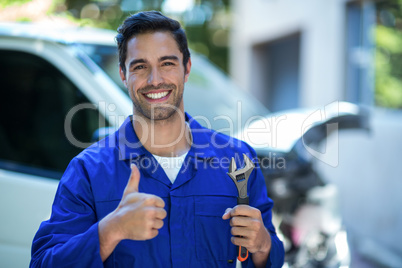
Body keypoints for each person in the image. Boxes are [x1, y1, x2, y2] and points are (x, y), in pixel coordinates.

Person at [30, 11, 284, 268]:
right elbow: (43, 263)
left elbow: (270, 253)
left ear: (187, 68)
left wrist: (263, 246)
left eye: (167, 63)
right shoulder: (88, 171)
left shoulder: (238, 160)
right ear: (123, 73)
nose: (155, 80)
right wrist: (109, 231)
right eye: (140, 66)